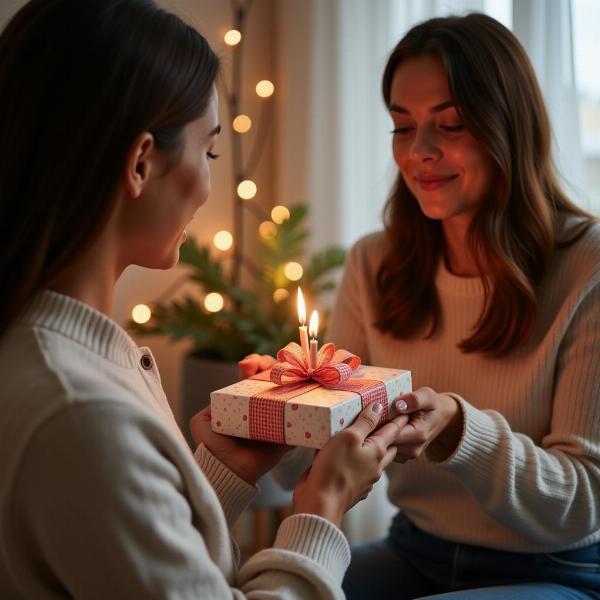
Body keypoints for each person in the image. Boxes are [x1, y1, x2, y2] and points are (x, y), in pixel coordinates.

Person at [0, 1, 409, 598]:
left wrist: (224, 468)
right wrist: (321, 511)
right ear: (141, 163)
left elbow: (120, 551)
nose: (210, 182)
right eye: (209, 151)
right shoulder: (79, 411)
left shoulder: (58, 359)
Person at [241, 13, 600, 600]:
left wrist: (462, 429)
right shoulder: (374, 264)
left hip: (556, 570)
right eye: (402, 128)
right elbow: (321, 467)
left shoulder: (588, 266)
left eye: (451, 124)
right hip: (417, 550)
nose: (420, 152)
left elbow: (585, 500)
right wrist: (283, 414)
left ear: (510, 127)